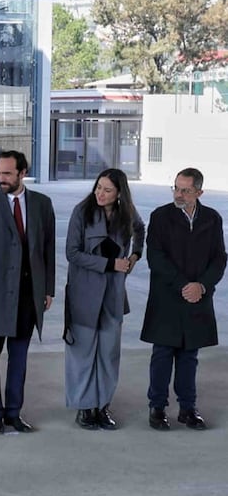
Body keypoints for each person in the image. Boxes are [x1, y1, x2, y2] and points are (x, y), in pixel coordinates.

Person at [0, 150, 55, 434]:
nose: (0, 178)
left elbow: (48, 251)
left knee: (19, 358)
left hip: (28, 296)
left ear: (22, 173)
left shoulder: (42, 204)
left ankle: (14, 413)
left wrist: (48, 289)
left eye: (7, 173)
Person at [141, 168, 226, 431]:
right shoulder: (160, 217)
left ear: (199, 192)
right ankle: (157, 408)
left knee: (190, 355)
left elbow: (219, 258)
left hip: (197, 297)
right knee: (163, 353)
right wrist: (183, 285)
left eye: (185, 190)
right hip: (168, 296)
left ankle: (188, 409)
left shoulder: (212, 218)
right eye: (176, 188)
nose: (178, 194)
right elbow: (155, 257)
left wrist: (201, 286)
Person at [63, 168, 144, 430]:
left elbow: (140, 229)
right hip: (84, 293)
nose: (100, 193)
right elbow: (72, 253)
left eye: (107, 190)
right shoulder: (81, 211)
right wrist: (111, 264)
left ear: (119, 193)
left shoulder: (127, 213)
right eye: (98, 187)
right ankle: (85, 407)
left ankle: (103, 405)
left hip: (113, 294)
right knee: (83, 353)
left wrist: (134, 257)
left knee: (109, 353)